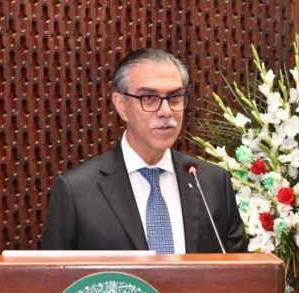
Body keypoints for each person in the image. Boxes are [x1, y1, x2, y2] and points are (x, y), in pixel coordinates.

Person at [40, 48, 247, 253]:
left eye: (174, 97)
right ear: (121, 105)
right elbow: (54, 272)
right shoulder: (77, 191)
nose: (166, 111)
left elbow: (239, 267)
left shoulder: (212, 182)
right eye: (149, 98)